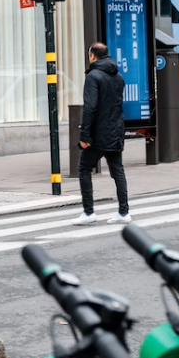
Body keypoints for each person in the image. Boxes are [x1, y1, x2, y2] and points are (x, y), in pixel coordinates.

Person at [73, 42, 131, 226]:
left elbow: (90, 107)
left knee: (84, 168)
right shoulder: (118, 77)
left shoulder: (93, 76)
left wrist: (84, 136)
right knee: (117, 171)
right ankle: (124, 212)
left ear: (92, 56)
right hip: (115, 131)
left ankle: (89, 212)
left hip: (98, 133)